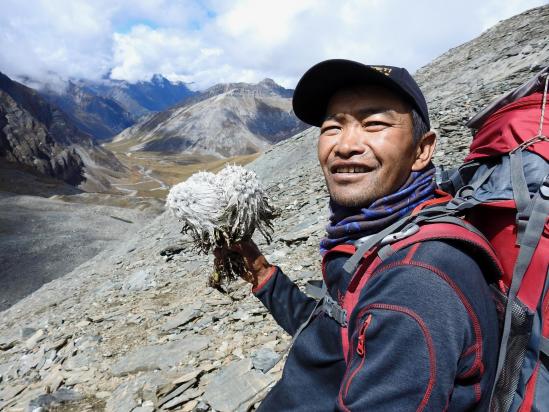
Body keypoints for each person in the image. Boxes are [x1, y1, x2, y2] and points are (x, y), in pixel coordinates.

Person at [221, 59, 499, 411]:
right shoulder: (383, 237)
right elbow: (340, 331)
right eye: (332, 127)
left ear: (422, 149)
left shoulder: (413, 282)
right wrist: (264, 276)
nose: (346, 144)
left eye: (375, 124)